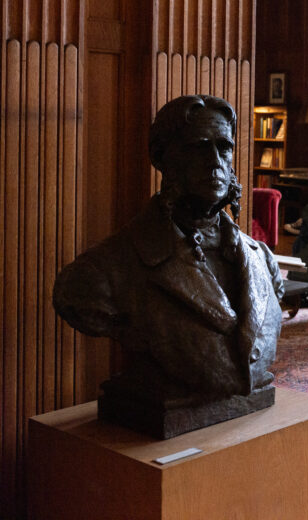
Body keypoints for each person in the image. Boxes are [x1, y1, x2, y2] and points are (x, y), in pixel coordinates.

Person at [52, 95, 284, 435]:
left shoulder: (261, 259)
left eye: (224, 148)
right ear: (162, 157)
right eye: (199, 148)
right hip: (160, 415)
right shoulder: (103, 273)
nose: (216, 162)